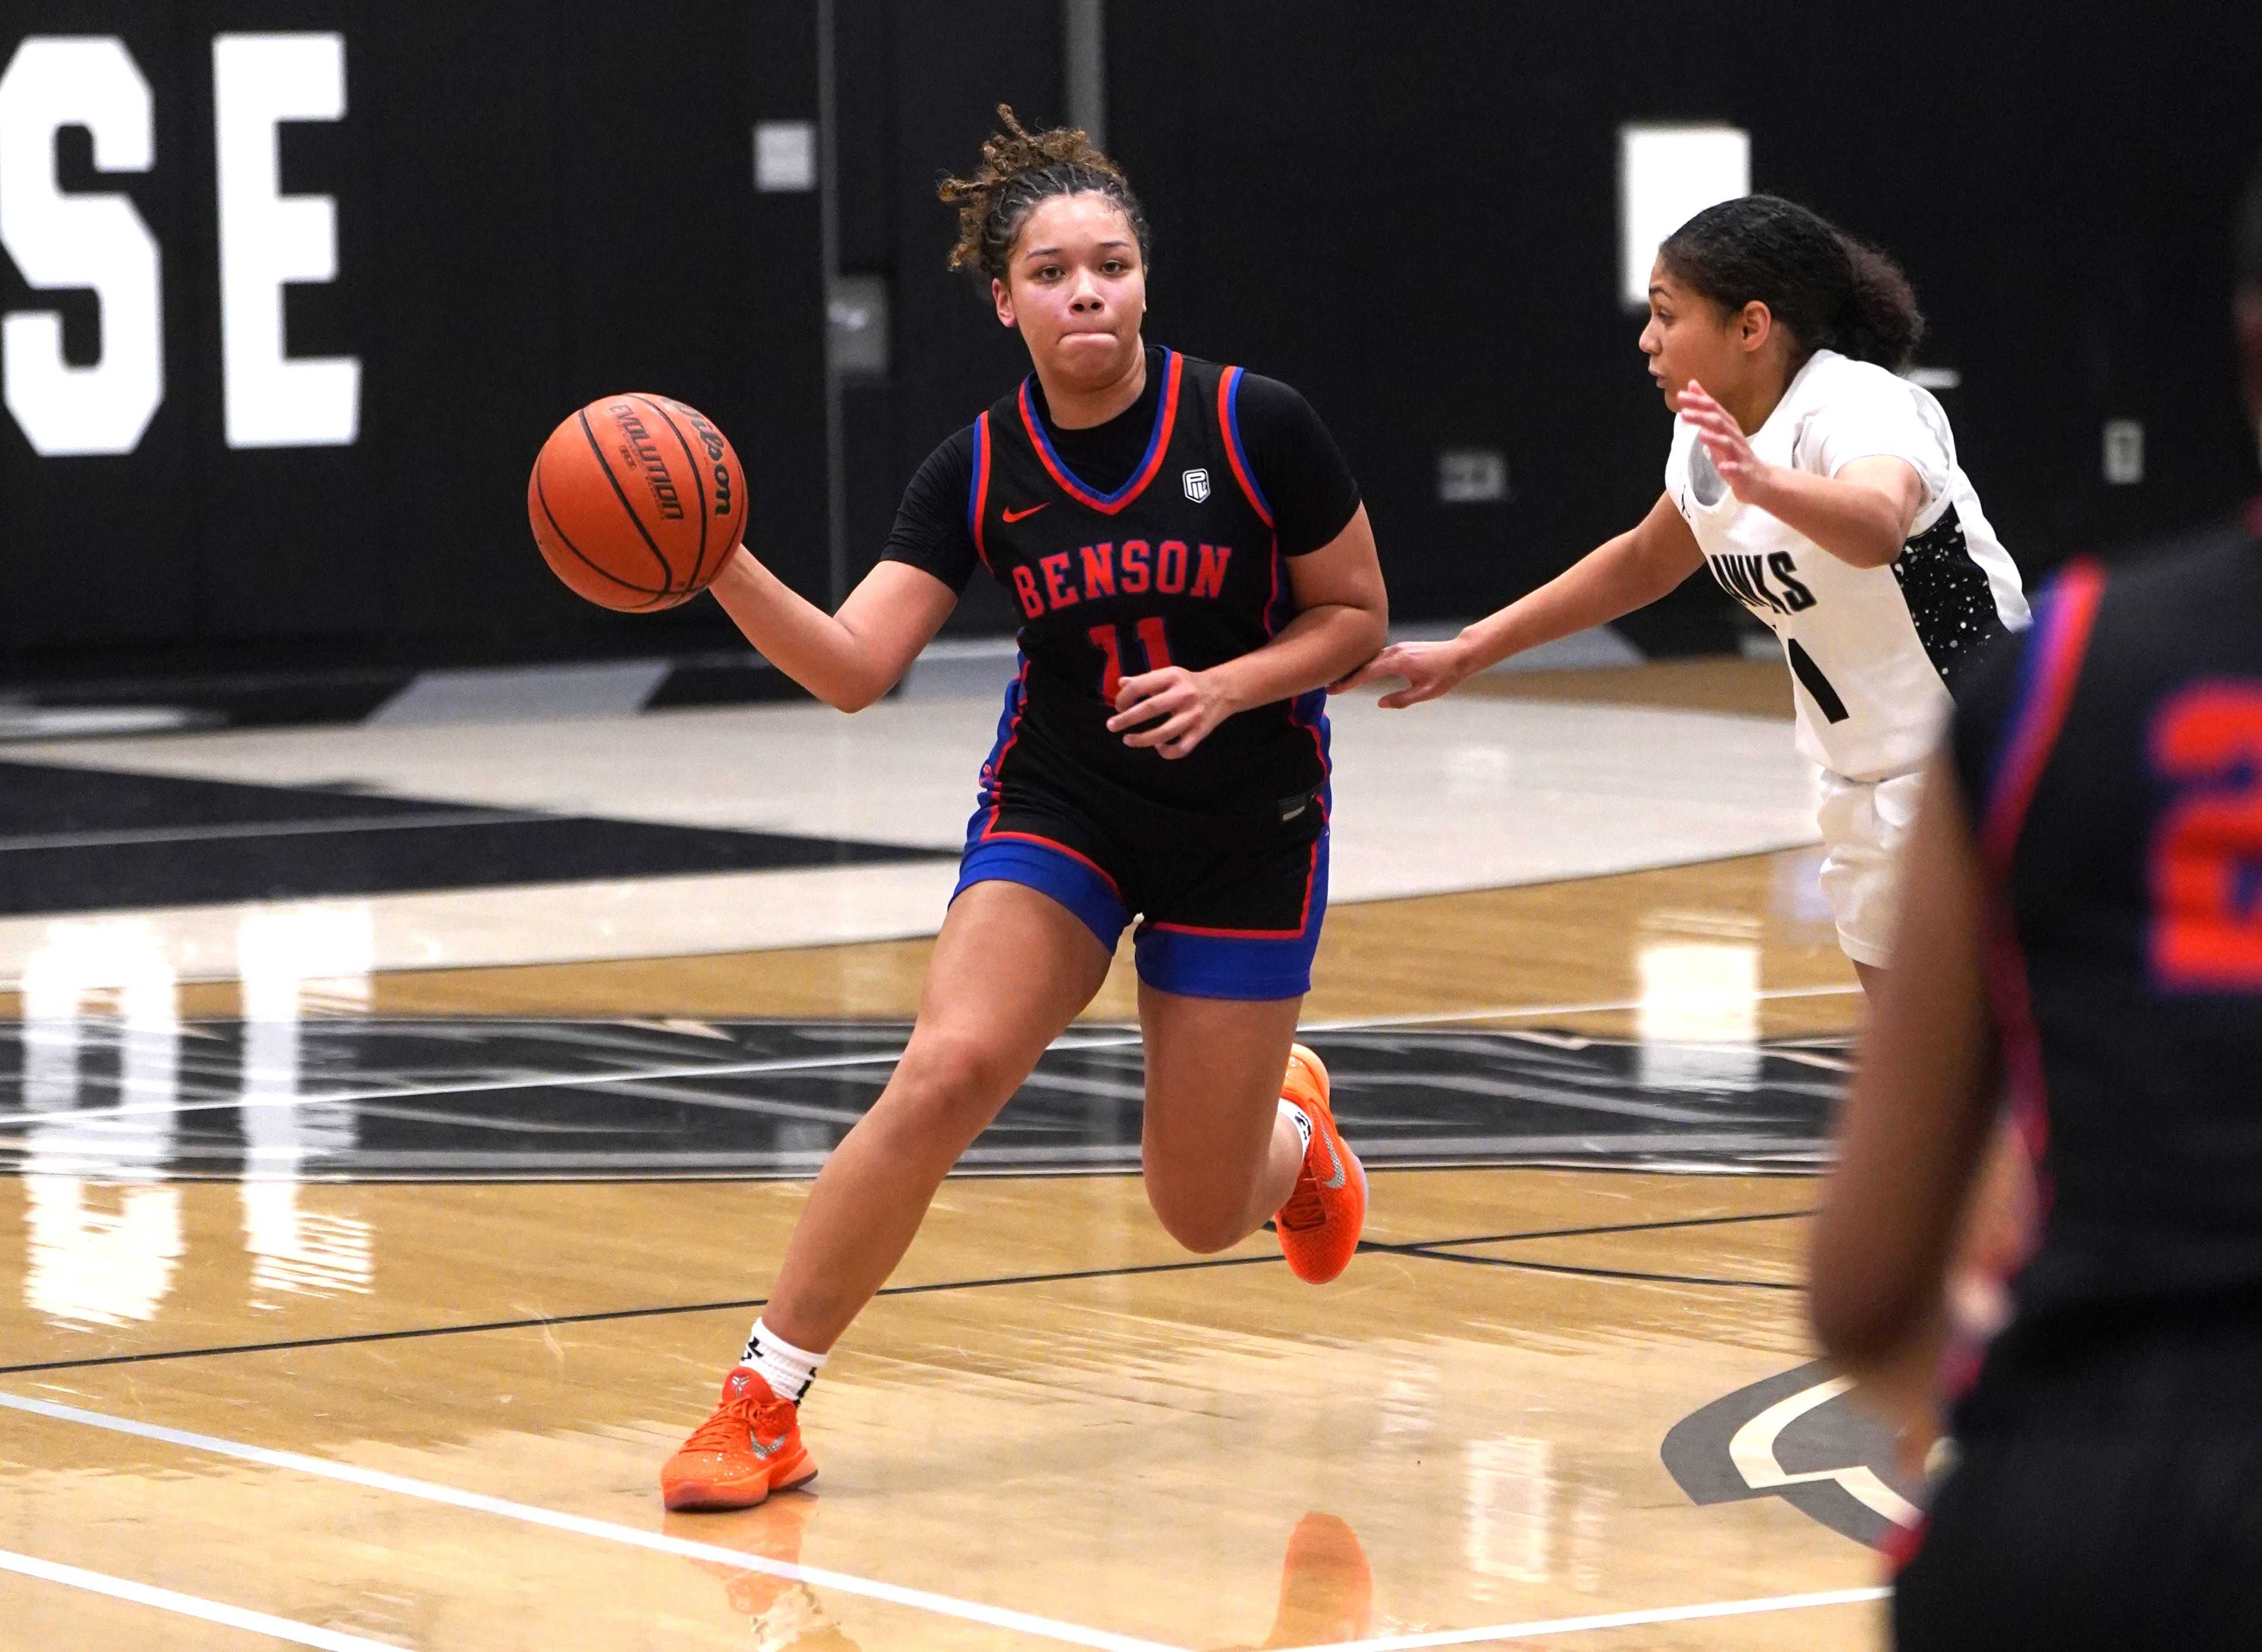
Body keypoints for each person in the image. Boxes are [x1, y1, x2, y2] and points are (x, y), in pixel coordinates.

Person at [658, 108, 1389, 1511]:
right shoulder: (978, 469)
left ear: (1143, 281)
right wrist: (721, 559)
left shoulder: (1253, 423)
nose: (1085, 293)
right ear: (1005, 301)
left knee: (1192, 1210)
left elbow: (1352, 618)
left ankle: (1293, 1143)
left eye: (1108, 265)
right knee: (947, 1066)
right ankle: (760, 1403)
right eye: (1050, 273)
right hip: (1066, 801)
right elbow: (857, 669)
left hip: (1245, 825)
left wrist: (1229, 686)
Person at [1808, 152, 2262, 1648]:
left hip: (2084, 1508)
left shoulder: (2067, 667)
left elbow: (1862, 1293)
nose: (1647, 334)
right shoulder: (1707, 447)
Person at [1340, 195, 2029, 993]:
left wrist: (1767, 482)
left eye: (1667, 314)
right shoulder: (1710, 434)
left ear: (1751, 326)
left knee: (1994, 1069)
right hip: (1857, 773)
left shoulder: (1859, 406)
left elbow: (1877, 524)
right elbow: (1642, 561)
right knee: (1917, 1065)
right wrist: (1470, 649)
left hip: (1980, 756)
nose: (1647, 338)